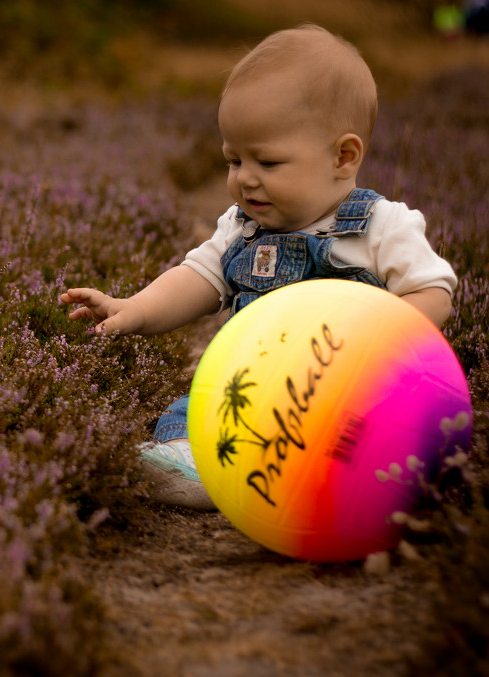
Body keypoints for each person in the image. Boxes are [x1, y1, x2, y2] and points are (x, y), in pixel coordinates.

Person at [58, 24, 458, 510]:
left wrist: (377, 342)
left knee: (372, 429)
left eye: (266, 163)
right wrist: (134, 308)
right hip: (250, 393)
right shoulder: (242, 228)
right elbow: (197, 277)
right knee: (195, 410)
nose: (245, 179)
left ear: (343, 156)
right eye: (233, 160)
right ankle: (200, 461)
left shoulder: (380, 226)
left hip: (349, 397)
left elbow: (433, 291)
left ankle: (319, 475)